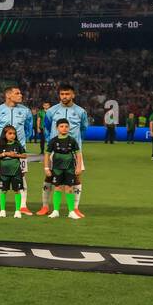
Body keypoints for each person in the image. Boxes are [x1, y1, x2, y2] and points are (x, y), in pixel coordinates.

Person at [38, 84, 90, 217]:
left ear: (73, 95)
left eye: (67, 94)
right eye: (62, 94)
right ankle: (45, 206)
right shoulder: (51, 111)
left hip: (73, 151)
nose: (64, 96)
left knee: (76, 177)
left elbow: (83, 129)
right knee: (49, 176)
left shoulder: (81, 111)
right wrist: (51, 142)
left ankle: (75, 208)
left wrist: (76, 143)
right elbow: (48, 127)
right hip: (55, 151)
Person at [0, 87, 34, 215]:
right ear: (8, 95)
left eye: (20, 92)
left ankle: (23, 206)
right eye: (17, 93)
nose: (20, 95)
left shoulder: (26, 111)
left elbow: (29, 128)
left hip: (19, 149)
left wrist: (21, 143)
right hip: (1, 149)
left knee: (22, 175)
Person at [44, 119, 83, 219]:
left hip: (69, 168)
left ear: (69, 128)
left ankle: (71, 211)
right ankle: (56, 210)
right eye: (61, 126)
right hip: (57, 169)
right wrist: (46, 168)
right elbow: (47, 155)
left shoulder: (72, 140)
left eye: (66, 126)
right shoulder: (53, 141)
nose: (64, 128)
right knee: (57, 188)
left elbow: (78, 154)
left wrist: (78, 167)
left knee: (69, 188)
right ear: (57, 128)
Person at [0, 125, 27, 218]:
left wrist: (16, 155)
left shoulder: (17, 144)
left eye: (14, 134)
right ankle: (2, 210)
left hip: (16, 172)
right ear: (5, 134)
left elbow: (24, 155)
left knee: (17, 191)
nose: (12, 135)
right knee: (3, 191)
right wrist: (5, 154)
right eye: (10, 133)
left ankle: (17, 211)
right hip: (4, 173)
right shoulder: (0, 145)